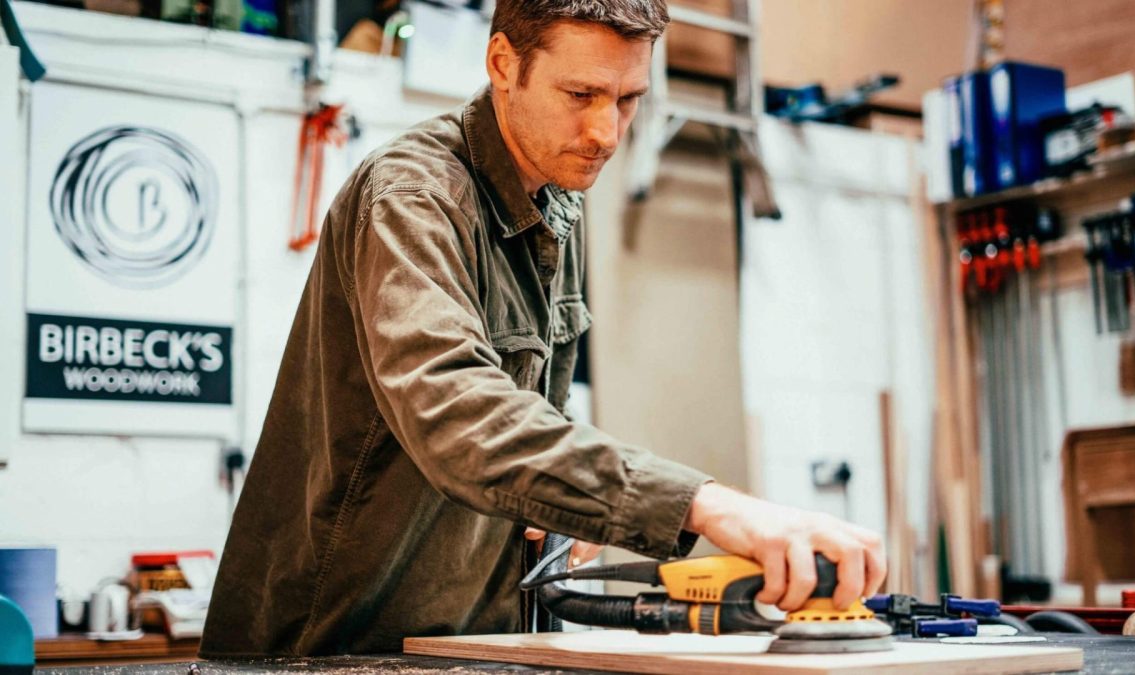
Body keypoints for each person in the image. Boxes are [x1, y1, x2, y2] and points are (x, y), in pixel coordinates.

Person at [199, 0, 886, 657]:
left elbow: (529, 419)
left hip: (473, 640)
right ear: (504, 63)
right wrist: (705, 506)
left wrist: (560, 506)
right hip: (330, 647)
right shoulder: (413, 196)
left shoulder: (558, 203)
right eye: (581, 94)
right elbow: (457, 413)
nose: (606, 134)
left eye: (627, 100)